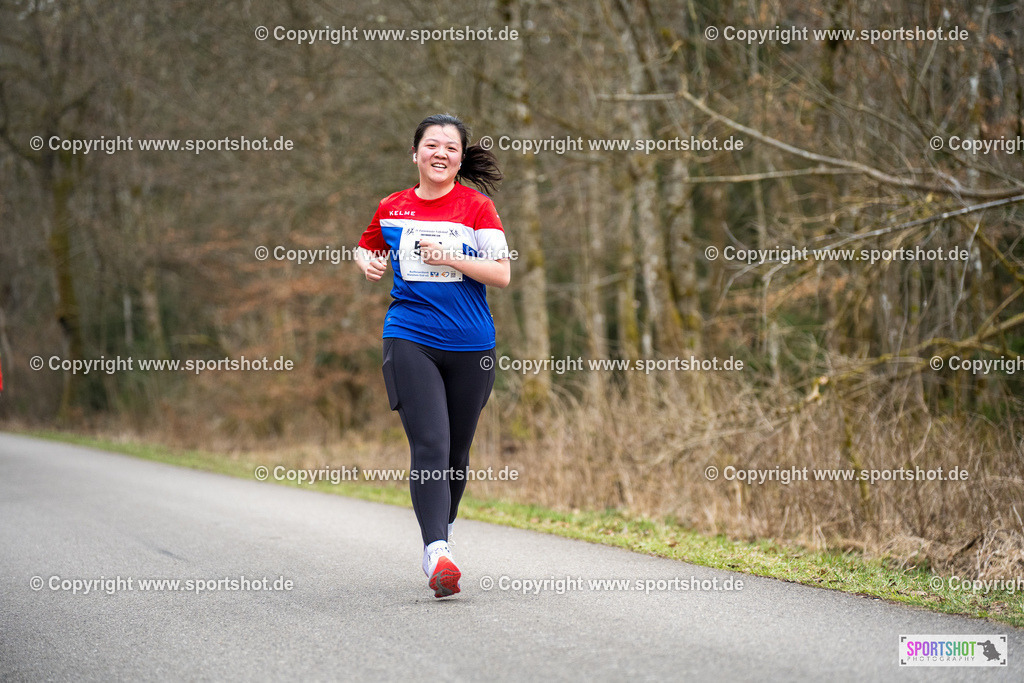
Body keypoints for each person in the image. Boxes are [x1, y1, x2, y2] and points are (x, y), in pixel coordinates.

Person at [355, 114, 510, 598]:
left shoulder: (477, 207)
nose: (440, 153)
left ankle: (441, 532)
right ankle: (437, 551)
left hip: (471, 345)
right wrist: (366, 260)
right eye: (431, 145)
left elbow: (501, 274)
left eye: (451, 147)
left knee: (456, 455)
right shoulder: (392, 208)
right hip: (410, 335)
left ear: (460, 158)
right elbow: (365, 247)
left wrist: (451, 258)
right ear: (415, 153)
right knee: (430, 445)